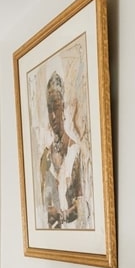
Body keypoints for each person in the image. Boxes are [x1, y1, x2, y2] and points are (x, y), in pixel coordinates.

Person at [41, 70, 93, 229]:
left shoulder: (75, 152)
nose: (53, 116)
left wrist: (63, 215)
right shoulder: (45, 157)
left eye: (56, 107)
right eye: (50, 109)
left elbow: (84, 205)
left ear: (63, 107)